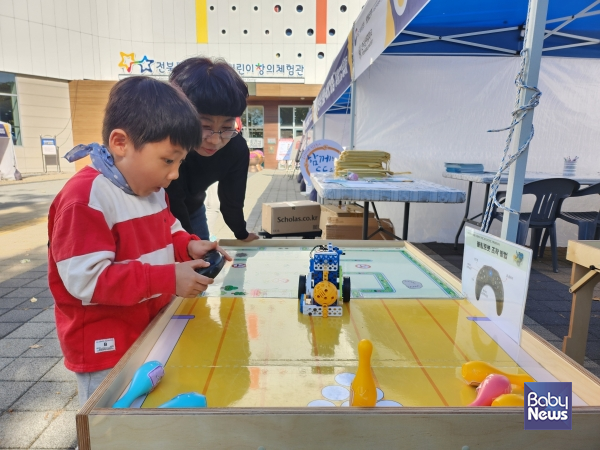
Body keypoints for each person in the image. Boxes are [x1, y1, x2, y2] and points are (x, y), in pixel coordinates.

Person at [47, 76, 231, 408]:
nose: (174, 174)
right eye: (167, 160)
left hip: (147, 327)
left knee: (142, 418)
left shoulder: (150, 190)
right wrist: (169, 277)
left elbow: (168, 227)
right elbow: (88, 280)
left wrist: (187, 245)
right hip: (105, 347)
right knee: (108, 425)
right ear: (121, 143)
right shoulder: (85, 199)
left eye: (179, 162)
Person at [166, 57, 260, 242]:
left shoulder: (236, 148)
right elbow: (173, 200)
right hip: (154, 211)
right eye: (204, 126)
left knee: (203, 263)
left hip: (193, 208)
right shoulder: (167, 144)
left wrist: (241, 233)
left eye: (226, 127)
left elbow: (232, 198)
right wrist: (188, 244)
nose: (215, 140)